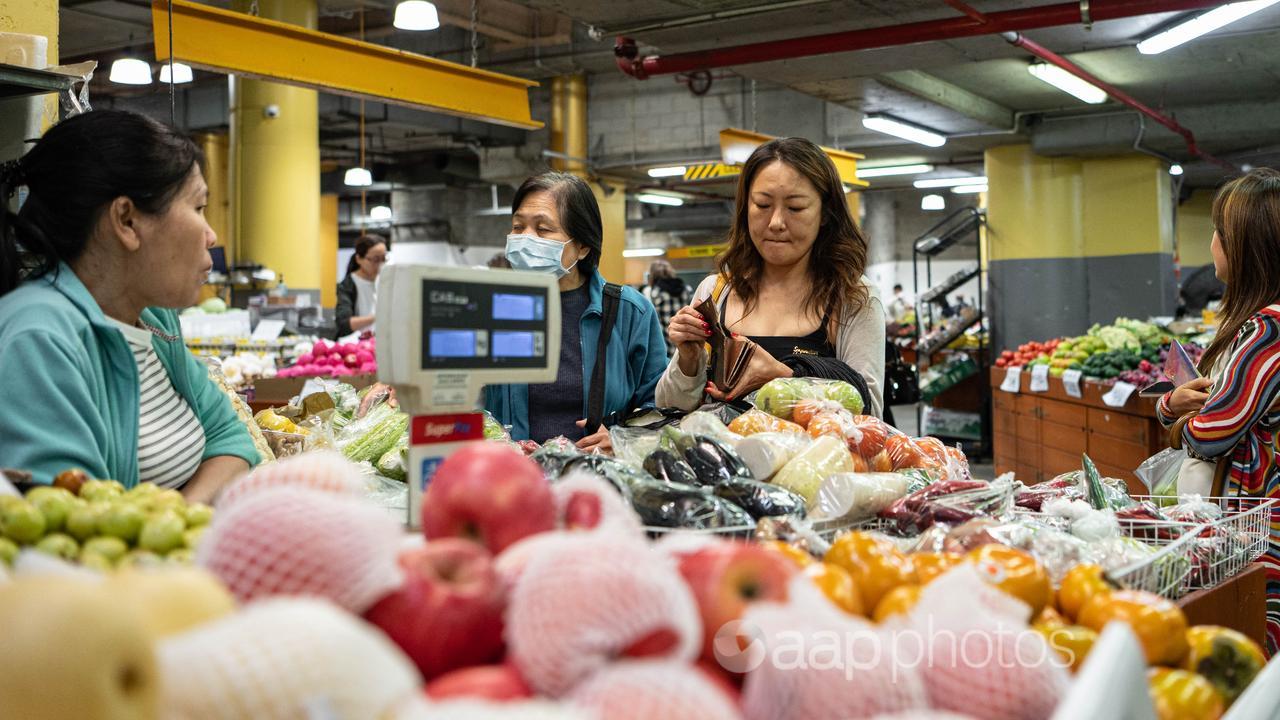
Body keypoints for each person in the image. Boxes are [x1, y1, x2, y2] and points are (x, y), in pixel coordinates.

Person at [0, 110, 259, 501]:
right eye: (199, 208)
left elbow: (231, 438)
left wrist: (182, 515)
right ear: (127, 221)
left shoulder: (153, 320)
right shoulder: (39, 339)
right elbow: (77, 526)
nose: (211, 236)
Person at [657, 137, 886, 417]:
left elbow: (868, 414)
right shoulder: (716, 292)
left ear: (825, 213)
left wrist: (784, 377)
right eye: (763, 205)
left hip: (809, 461)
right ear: (745, 208)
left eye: (796, 208)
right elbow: (668, 408)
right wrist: (688, 361)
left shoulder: (853, 298)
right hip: (723, 460)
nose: (776, 222)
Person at [1156, 168, 1280, 654]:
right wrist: (1178, 406)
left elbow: (1213, 432)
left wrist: (1173, 416)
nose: (1211, 243)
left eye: (1218, 232)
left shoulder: (1265, 330)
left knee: (1255, 640)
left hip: (1256, 518)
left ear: (1243, 248)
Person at [484, 172, 668, 452]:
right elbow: (464, 402)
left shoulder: (628, 311)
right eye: (518, 227)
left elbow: (660, 405)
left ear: (582, 246)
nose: (525, 239)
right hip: (513, 480)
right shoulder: (493, 309)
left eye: (543, 229)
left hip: (601, 478)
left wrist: (622, 438)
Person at [334, 234, 387, 339]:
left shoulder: (385, 281)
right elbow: (345, 324)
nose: (381, 264)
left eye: (384, 258)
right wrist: (379, 317)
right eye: (376, 259)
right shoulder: (347, 286)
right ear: (359, 259)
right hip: (356, 346)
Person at [641, 259, 690, 356]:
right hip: (685, 343)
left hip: (663, 346)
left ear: (652, 275)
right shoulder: (687, 289)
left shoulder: (651, 292)